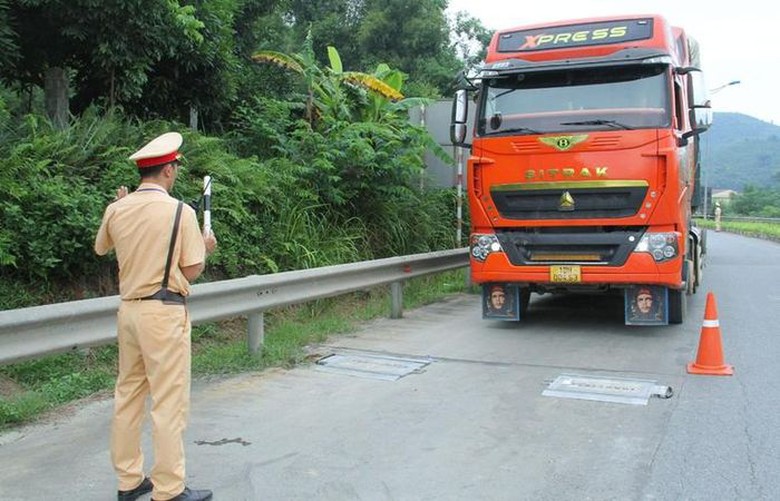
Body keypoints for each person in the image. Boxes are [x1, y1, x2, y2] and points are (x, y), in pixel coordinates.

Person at [95, 132, 217, 501]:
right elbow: (192, 269)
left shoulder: (118, 208)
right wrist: (205, 245)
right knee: (168, 401)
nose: (175, 173)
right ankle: (169, 489)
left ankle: (129, 481)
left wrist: (119, 207)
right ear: (167, 170)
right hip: (163, 313)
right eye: (175, 168)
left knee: (128, 396)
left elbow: (102, 247)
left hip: (128, 311)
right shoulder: (181, 211)